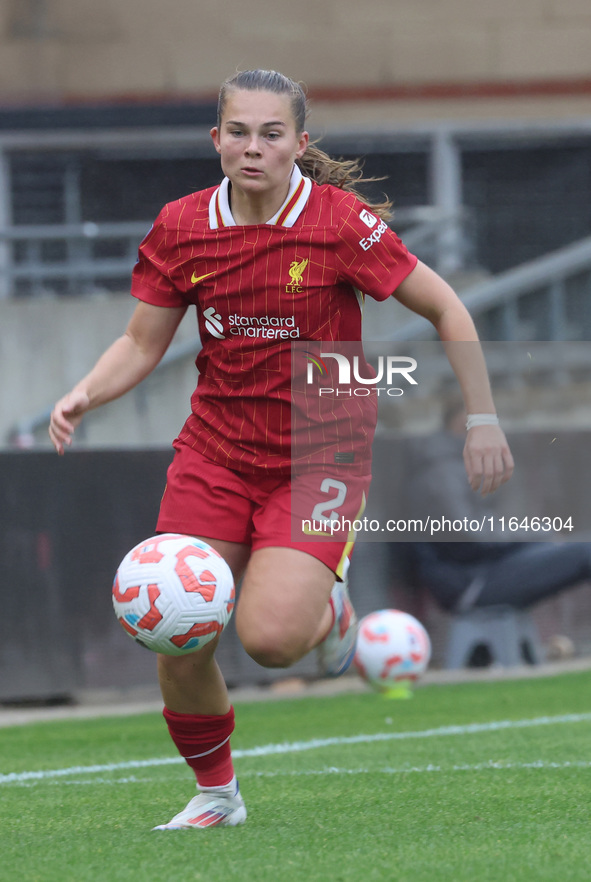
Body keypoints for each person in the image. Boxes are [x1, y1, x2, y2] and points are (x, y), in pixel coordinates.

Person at [48, 69, 513, 831]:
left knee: (268, 642)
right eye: (238, 131)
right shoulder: (181, 226)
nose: (252, 147)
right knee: (178, 624)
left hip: (318, 456)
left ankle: (328, 605)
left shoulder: (338, 223)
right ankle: (216, 794)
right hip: (214, 452)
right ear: (216, 139)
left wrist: (481, 418)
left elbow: (445, 306)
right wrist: (85, 394)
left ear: (299, 142)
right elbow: (140, 342)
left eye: (271, 133)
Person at [409, 396, 591, 615]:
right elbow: (470, 535)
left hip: (481, 571)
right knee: (584, 551)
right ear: (458, 425)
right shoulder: (441, 473)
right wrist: (537, 535)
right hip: (471, 583)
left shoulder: (451, 465)